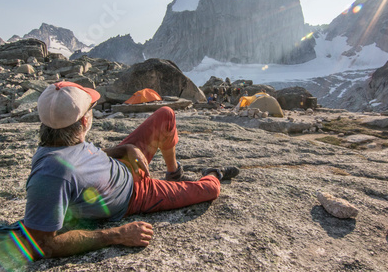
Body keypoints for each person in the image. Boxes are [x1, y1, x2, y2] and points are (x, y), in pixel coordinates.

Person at [22, 81, 239, 259]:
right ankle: (214, 173)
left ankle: (174, 175)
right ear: (85, 120)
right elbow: (42, 244)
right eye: (91, 110)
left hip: (126, 164)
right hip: (136, 196)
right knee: (210, 191)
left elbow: (85, 160)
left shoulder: (62, 140)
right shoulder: (51, 174)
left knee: (166, 114)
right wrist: (116, 235)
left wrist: (125, 149)